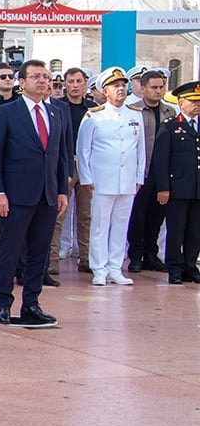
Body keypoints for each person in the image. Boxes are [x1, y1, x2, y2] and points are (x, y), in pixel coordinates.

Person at [0, 60, 69, 325]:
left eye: (46, 76)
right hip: (16, 194)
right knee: (10, 250)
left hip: (47, 194)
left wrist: (62, 191)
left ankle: (31, 303)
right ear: (22, 83)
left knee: (39, 252)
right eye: (36, 76)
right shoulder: (8, 112)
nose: (43, 81)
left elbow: (60, 156)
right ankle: (3, 304)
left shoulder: (58, 112)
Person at [77, 67, 146, 286]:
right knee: (99, 225)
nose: (121, 90)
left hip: (126, 180)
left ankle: (115, 267)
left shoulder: (135, 114)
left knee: (120, 225)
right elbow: (83, 150)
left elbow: (140, 149)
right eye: (115, 86)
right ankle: (99, 268)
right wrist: (87, 179)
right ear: (104, 91)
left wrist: (139, 178)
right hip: (102, 180)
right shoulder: (94, 116)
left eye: (123, 85)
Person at [126, 70, 177, 272]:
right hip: (140, 171)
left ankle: (151, 254)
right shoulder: (134, 110)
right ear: (143, 88)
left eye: (161, 87)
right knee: (138, 216)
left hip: (162, 172)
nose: (158, 91)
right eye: (154, 87)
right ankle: (136, 255)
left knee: (157, 217)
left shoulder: (170, 112)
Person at [153, 81, 200, 284]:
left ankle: (191, 266)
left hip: (197, 188)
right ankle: (175, 268)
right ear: (181, 103)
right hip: (177, 188)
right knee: (176, 231)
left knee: (195, 231)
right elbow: (161, 161)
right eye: (193, 101)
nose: (197, 105)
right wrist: (163, 187)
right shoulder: (171, 127)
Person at [50, 67, 93, 274]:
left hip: (88, 166)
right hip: (65, 163)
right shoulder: (57, 107)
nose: (75, 86)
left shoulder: (94, 108)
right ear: (65, 85)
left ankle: (87, 258)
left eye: (79, 81)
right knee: (59, 214)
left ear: (85, 84)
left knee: (86, 215)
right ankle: (52, 261)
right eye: (71, 82)